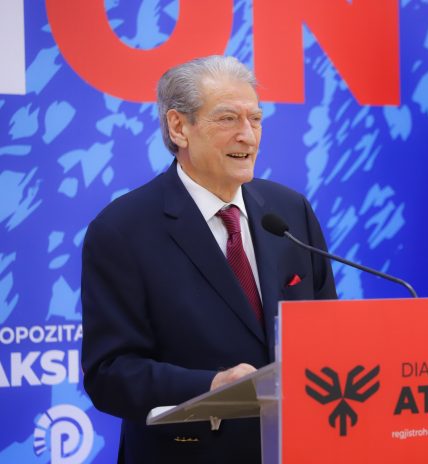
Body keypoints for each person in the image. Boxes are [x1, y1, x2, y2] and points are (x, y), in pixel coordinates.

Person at [81, 55, 337, 463]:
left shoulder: (290, 212)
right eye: (228, 119)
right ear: (179, 127)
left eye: (255, 119)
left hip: (294, 449)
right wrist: (212, 384)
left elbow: (327, 332)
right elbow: (109, 374)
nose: (248, 136)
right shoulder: (122, 230)